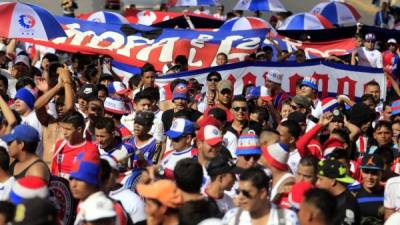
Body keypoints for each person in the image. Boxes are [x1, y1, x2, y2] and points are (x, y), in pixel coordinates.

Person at [223, 167, 298, 225]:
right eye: (239, 192)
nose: (240, 197)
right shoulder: (232, 218)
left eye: (246, 193)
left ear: (262, 193)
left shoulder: (288, 220)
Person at [34, 66, 74, 166]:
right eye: (58, 104)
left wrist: (67, 82)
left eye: (62, 104)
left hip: (63, 174)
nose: (60, 108)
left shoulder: (72, 125)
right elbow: (37, 106)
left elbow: (69, 108)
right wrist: (58, 86)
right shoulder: (49, 122)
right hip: (46, 172)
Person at [51, 111, 97, 179]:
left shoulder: (90, 150)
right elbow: (54, 170)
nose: (64, 133)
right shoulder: (59, 145)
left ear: (79, 129)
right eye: (63, 128)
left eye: (68, 129)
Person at [316, 158, 360, 225]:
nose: (317, 183)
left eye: (320, 179)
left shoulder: (348, 205)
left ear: (333, 181)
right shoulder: (329, 198)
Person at [352, 155, 385, 223]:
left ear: (382, 173)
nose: (369, 177)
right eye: (366, 172)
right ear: (361, 171)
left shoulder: (388, 194)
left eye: (374, 173)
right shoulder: (352, 193)